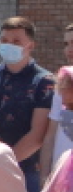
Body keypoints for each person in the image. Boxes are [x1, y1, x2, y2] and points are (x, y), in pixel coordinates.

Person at [0, 16, 54, 192]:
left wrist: (3, 163)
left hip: (24, 171)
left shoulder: (44, 82)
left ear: (31, 45)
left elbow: (37, 135)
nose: (8, 45)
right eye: (4, 40)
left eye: (16, 41)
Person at [42, 25, 73, 181]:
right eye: (66, 44)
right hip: (61, 175)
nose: (69, 49)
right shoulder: (63, 82)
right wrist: (44, 175)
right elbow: (51, 134)